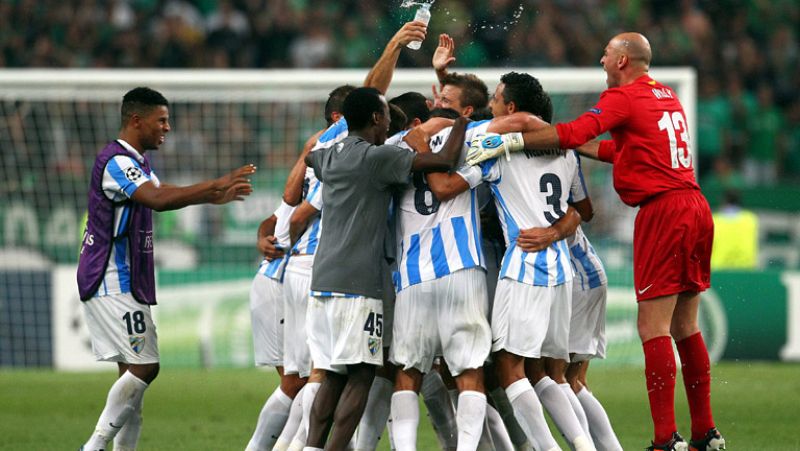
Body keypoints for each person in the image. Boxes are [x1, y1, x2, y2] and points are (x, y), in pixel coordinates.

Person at [466, 32, 725, 451]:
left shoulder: (624, 97)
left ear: (623, 60)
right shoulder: (665, 98)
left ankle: (664, 440)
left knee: (652, 328)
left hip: (663, 212)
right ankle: (705, 432)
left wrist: (513, 140)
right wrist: (581, 148)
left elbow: (571, 132)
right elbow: (620, 152)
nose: (602, 60)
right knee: (685, 326)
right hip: (695, 205)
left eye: (606, 54)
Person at [76, 87, 254, 451]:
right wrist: (215, 183)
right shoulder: (116, 161)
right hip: (111, 278)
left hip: (123, 278)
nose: (167, 127)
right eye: (161, 120)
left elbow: (160, 190)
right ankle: (92, 447)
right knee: (146, 367)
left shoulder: (136, 162)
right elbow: (155, 199)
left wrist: (211, 195)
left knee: (132, 384)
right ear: (136, 120)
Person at [426, 72, 593, 451]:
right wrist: (553, 232)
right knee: (545, 373)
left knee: (507, 367)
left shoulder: (497, 147)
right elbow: (583, 208)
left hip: (525, 266)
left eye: (497, 99)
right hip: (560, 269)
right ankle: (584, 445)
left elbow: (448, 188)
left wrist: (430, 165)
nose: (492, 106)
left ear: (511, 108)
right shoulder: (564, 150)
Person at [301, 87, 468, 451]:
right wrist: (463, 123)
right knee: (362, 374)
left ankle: (313, 447)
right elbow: (444, 160)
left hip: (322, 279)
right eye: (387, 117)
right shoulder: (376, 158)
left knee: (331, 374)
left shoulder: (329, 155)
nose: (391, 122)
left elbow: (310, 159)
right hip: (359, 283)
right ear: (376, 119)